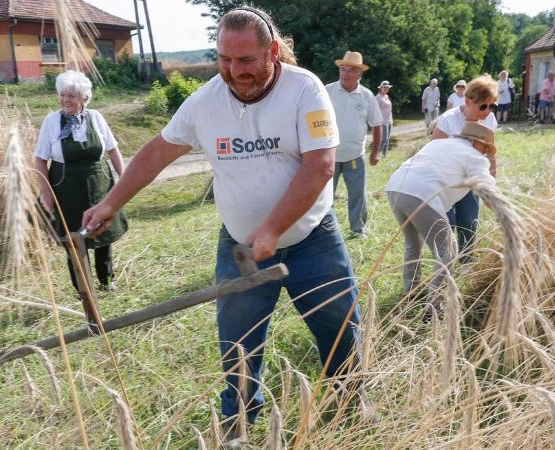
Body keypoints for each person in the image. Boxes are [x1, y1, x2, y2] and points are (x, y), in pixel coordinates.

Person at [81, 7, 364, 447]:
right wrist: (110, 202)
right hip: (240, 249)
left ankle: (351, 400)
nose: (235, 72)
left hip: (312, 242)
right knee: (239, 343)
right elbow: (158, 151)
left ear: (272, 52)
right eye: (225, 60)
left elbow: (320, 167)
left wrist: (271, 229)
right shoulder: (205, 102)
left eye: (246, 61)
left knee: (339, 327)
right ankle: (239, 425)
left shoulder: (304, 89)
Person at [386, 122, 497, 320]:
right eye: (486, 148)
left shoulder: (438, 144)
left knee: (413, 243)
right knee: (448, 252)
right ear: (478, 144)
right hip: (422, 195)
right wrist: (506, 215)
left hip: (396, 187)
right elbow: (488, 192)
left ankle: (409, 291)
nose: (486, 153)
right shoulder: (475, 157)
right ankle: (433, 309)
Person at [34, 70, 128, 292]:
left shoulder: (96, 117)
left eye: (72, 96)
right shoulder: (51, 122)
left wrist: (124, 181)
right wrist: (47, 195)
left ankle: (106, 280)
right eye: (63, 95)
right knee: (73, 239)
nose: (66, 100)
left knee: (103, 232)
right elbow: (39, 161)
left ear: (84, 98)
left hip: (99, 184)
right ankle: (82, 287)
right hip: (66, 189)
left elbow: (113, 151)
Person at [431, 75, 498, 267]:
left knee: (469, 223)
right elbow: (433, 153)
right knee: (447, 225)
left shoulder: (489, 119)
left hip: (470, 182)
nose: (487, 111)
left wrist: (491, 185)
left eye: (491, 106)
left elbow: (490, 153)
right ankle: (445, 267)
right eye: (483, 106)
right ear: (468, 101)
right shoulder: (448, 120)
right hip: (446, 183)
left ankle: (466, 266)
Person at [326, 51, 383, 238]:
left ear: (360, 73)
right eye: (342, 69)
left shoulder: (366, 96)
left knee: (357, 194)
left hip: (355, 155)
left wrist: (375, 152)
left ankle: (358, 230)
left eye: (351, 70)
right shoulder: (327, 91)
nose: (345, 73)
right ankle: (325, 229)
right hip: (329, 155)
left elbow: (377, 124)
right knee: (325, 196)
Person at [375, 80, 394, 157]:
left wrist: (391, 119)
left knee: (387, 139)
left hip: (389, 120)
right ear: (381, 88)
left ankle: (384, 155)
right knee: (384, 139)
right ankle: (377, 155)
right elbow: (375, 110)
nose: (386, 89)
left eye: (387, 87)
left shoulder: (386, 96)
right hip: (382, 121)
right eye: (384, 87)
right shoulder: (378, 97)